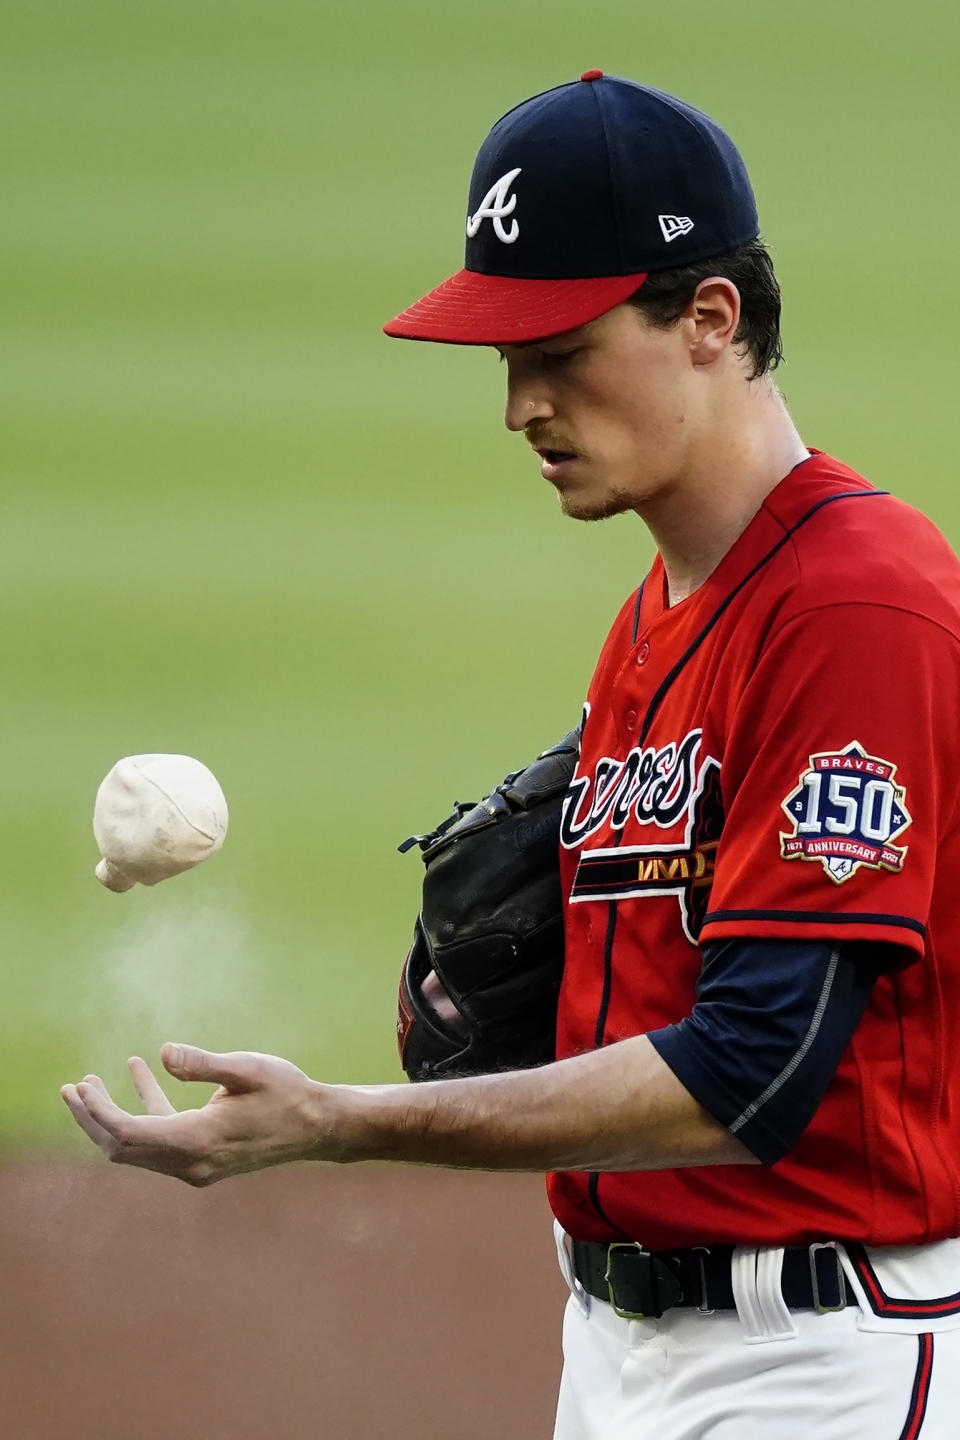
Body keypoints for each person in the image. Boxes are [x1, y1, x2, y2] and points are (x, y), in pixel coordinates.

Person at [63, 72, 960, 1437]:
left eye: (563, 349)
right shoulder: (653, 618)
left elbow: (754, 1076)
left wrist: (342, 1121)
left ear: (710, 320)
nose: (520, 405)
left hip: (821, 1361)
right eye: (505, 357)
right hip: (622, 1347)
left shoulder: (857, 604)